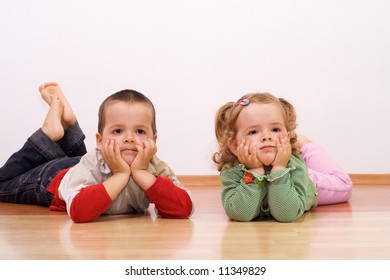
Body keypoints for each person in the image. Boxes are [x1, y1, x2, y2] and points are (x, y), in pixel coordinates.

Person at [0, 82, 193, 223]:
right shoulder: (93, 160)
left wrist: (142, 173)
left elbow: (184, 208)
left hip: (80, 168)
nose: (129, 138)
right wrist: (120, 175)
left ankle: (69, 125)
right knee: (2, 183)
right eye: (118, 131)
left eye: (140, 131)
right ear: (99, 141)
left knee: (85, 165)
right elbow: (79, 212)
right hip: (52, 179)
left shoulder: (155, 166)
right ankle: (48, 133)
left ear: (154, 140)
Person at [212, 93, 352, 222]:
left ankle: (306, 145)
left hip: (304, 181)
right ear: (235, 146)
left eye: (275, 129)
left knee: (344, 185)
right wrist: (254, 171)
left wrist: (279, 168)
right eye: (253, 131)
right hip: (270, 169)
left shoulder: (296, 166)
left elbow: (287, 214)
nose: (267, 137)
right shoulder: (231, 170)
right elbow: (240, 214)